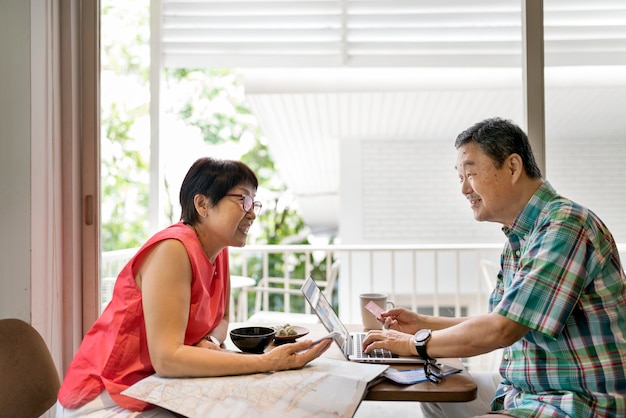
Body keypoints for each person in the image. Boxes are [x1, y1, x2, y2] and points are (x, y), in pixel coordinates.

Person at [362, 117, 626, 417]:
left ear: (512, 167)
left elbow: (502, 330)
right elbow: (496, 319)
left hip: (577, 401)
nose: (464, 189)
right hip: (526, 390)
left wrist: (413, 344)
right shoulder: (520, 235)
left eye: (471, 173)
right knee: (436, 396)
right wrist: (422, 324)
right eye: (459, 177)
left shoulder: (565, 225)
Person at [56, 157, 332, 417]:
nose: (252, 214)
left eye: (254, 203)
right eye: (243, 200)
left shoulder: (218, 250)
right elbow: (167, 358)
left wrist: (208, 342)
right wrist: (265, 363)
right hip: (107, 397)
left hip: (157, 387)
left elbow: (222, 319)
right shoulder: (172, 250)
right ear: (202, 204)